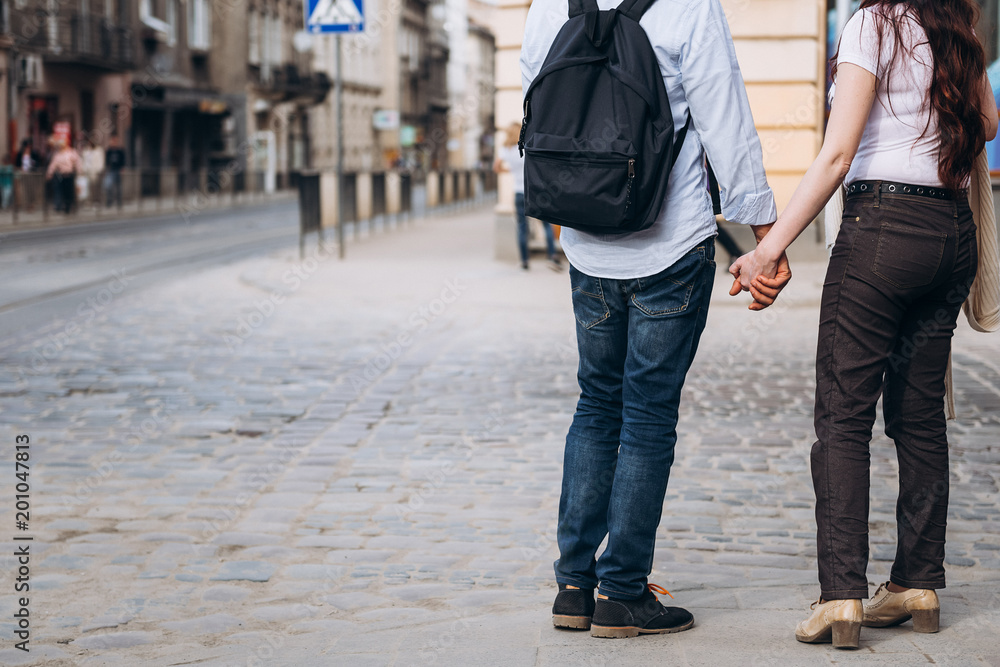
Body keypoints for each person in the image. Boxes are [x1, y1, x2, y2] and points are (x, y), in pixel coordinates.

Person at [730, 0, 997, 649]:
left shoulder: (872, 24)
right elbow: (988, 121)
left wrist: (769, 248)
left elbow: (837, 152)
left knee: (844, 414)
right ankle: (917, 581)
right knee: (919, 414)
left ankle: (841, 594)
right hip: (950, 235)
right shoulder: (958, 29)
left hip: (881, 230)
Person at [522, 0, 790, 638]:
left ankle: (573, 587)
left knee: (595, 405)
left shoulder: (549, 6)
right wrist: (766, 241)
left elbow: (538, 113)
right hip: (670, 245)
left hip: (588, 246)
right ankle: (621, 593)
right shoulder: (689, 7)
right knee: (646, 417)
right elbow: (727, 124)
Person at [494, 122, 562, 271]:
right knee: (546, 224)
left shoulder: (505, 150)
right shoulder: (527, 147)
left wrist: (508, 171)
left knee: (522, 227)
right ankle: (552, 257)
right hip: (535, 191)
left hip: (518, 193)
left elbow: (496, 167)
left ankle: (524, 261)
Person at [47, 140, 82, 214]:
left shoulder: (71, 152)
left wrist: (79, 171)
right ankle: (65, 206)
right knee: (62, 191)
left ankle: (70, 206)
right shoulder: (57, 155)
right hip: (61, 175)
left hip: (69, 174)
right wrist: (49, 173)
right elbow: (53, 165)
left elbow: (77, 161)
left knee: (69, 192)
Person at [80, 138, 105, 206]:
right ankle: (88, 201)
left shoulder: (98, 150)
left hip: (95, 171)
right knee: (88, 188)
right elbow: (84, 161)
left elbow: (101, 161)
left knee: (96, 187)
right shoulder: (86, 151)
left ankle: (96, 201)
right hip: (87, 171)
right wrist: (83, 169)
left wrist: (99, 170)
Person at [104, 134, 126, 209]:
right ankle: (109, 201)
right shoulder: (109, 151)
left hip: (118, 170)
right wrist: (107, 168)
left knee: (118, 187)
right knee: (108, 186)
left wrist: (122, 169)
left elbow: (123, 161)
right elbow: (106, 161)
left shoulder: (120, 151)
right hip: (111, 170)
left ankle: (119, 202)